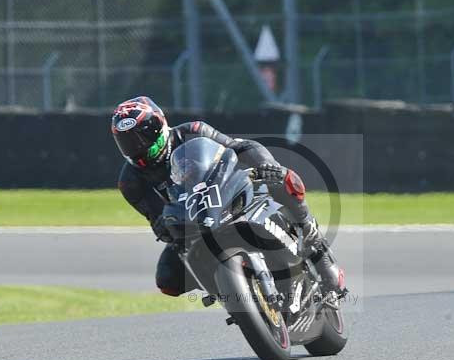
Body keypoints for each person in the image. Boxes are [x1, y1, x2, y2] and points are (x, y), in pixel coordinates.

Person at [111, 95, 345, 296]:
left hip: (229, 190)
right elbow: (158, 219)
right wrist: (162, 227)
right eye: (127, 143)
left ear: (159, 126)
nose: (138, 148)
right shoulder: (130, 181)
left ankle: (318, 249)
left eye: (142, 138)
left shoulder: (193, 131)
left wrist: (267, 164)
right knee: (167, 281)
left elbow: (240, 147)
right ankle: (232, 292)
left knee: (283, 180)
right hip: (194, 220)